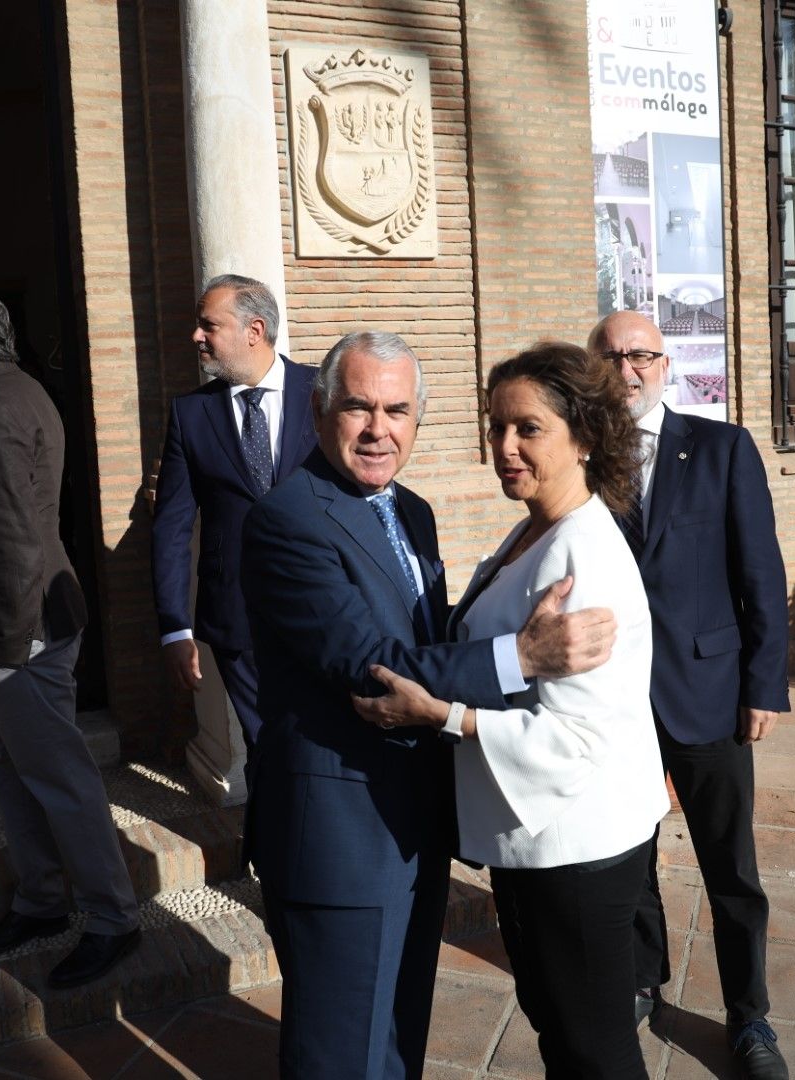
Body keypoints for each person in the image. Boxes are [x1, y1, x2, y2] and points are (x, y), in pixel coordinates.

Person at [240, 331, 617, 1079]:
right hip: (339, 840)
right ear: (319, 413)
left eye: (398, 410)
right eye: (359, 407)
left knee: (398, 1036)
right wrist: (523, 657)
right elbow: (376, 669)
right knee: (341, 1053)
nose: (380, 429)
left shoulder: (409, 510)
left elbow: (428, 640)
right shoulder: (288, 520)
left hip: (414, 822)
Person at [354, 342, 670, 1078]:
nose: (504, 447)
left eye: (528, 429)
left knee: (595, 1051)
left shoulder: (582, 557)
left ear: (586, 435)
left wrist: (442, 715)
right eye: (496, 427)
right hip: (539, 839)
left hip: (578, 850)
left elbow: (573, 737)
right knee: (560, 1034)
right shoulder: (536, 529)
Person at [0, 288, 141, 987]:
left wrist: (10, 645)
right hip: (23, 624)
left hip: (21, 630)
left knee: (59, 775)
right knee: (13, 768)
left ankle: (112, 918)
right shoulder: (12, 393)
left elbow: (12, 536)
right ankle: (41, 899)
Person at [590, 311, 791, 1080]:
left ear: (666, 365)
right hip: (614, 704)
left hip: (707, 691)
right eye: (610, 357)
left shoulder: (720, 448)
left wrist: (763, 684)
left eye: (640, 355)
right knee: (630, 853)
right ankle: (644, 977)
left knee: (730, 868)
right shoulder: (580, 461)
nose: (626, 370)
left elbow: (760, 575)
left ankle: (750, 1018)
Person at [152, 274, 317, 754]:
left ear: (254, 330)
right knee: (265, 743)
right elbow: (172, 527)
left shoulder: (321, 392)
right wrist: (174, 627)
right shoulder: (190, 414)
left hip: (321, 605)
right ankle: (273, 829)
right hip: (235, 615)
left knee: (321, 739)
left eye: (208, 325)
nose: (195, 336)